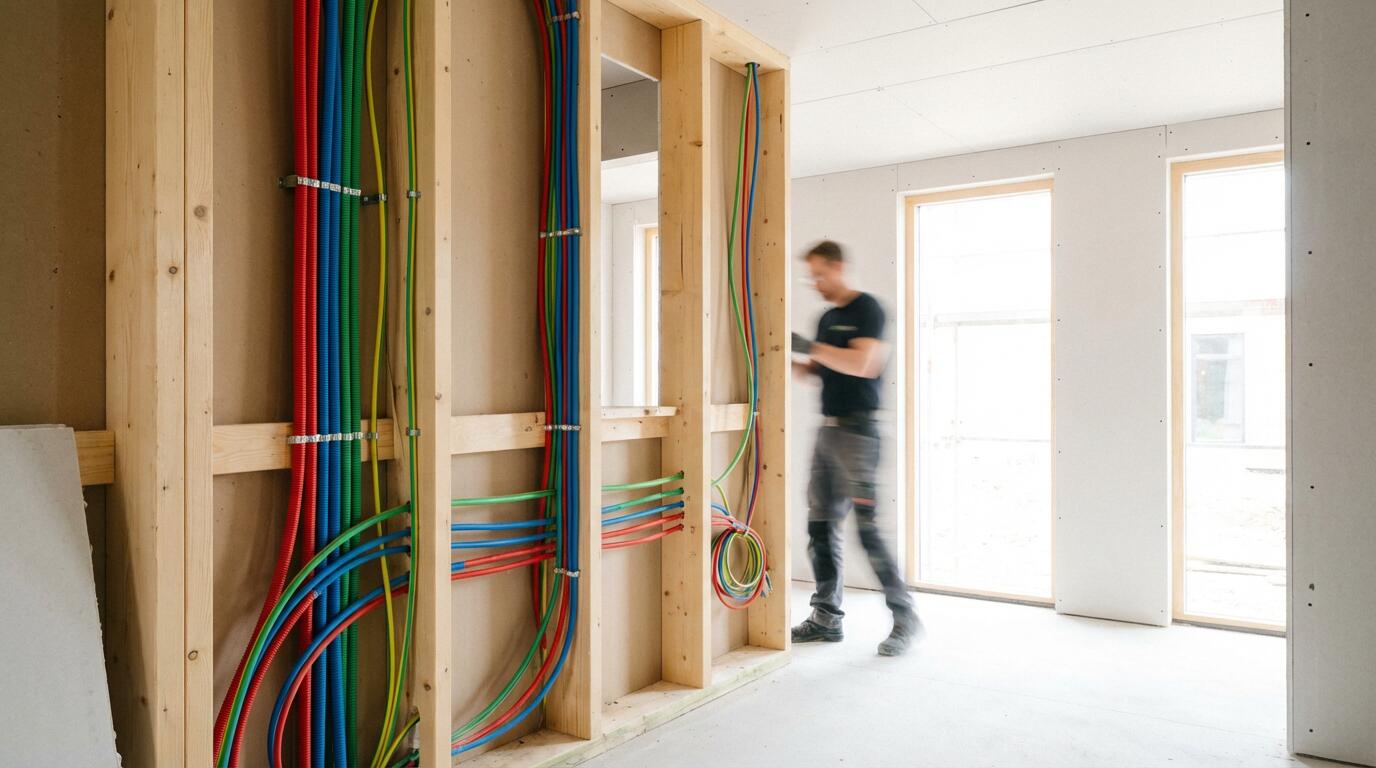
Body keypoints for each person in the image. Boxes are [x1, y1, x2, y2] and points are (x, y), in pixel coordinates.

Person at [790, 239, 920, 657]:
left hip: (859, 435)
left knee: (867, 530)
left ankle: (905, 618)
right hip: (827, 434)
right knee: (820, 527)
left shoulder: (869, 309)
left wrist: (808, 347)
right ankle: (826, 618)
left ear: (839, 267)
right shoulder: (826, 318)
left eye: (820, 275)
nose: (817, 284)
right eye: (812, 277)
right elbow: (813, 371)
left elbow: (864, 364)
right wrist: (773, 350)